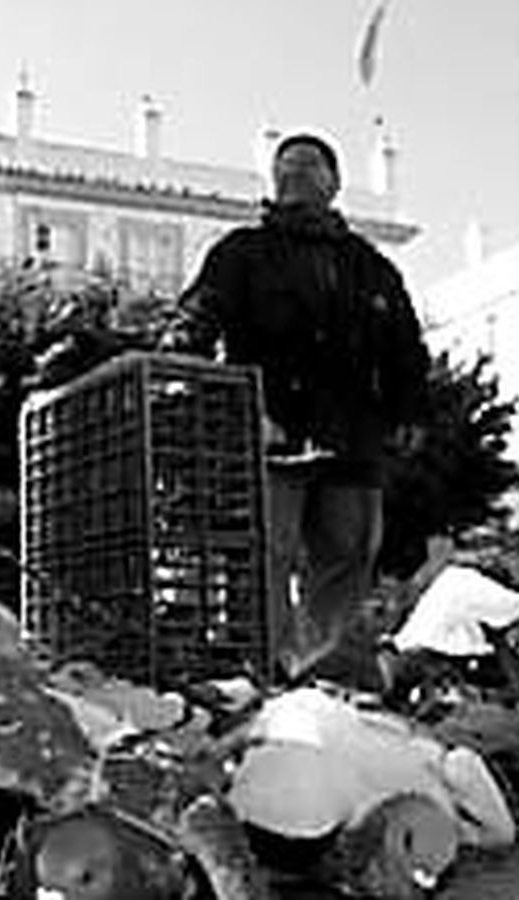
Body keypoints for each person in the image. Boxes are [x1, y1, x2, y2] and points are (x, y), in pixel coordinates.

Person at [182, 132, 431, 686]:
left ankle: (322, 670)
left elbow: (405, 349)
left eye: (309, 164)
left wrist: (411, 411)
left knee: (350, 550)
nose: (295, 172)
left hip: (353, 439)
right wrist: (179, 352)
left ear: (334, 183)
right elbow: (201, 312)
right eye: (285, 166)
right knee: (264, 553)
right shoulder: (241, 252)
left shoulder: (371, 267)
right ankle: (259, 673)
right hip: (270, 431)